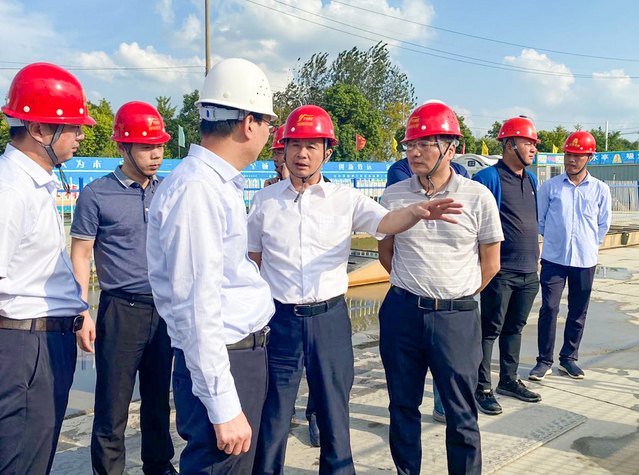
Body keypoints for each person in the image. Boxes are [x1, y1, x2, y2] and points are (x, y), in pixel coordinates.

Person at [248, 104, 462, 475]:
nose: (301, 154)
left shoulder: (345, 199)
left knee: (334, 413)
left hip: (329, 321)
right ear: (283, 149)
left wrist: (415, 212)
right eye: (294, 144)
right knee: (274, 414)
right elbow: (253, 259)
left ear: (327, 152)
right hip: (280, 322)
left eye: (312, 146)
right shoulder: (264, 201)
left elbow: (386, 221)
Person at [146, 58, 276, 474]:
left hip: (237, 357)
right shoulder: (197, 190)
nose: (270, 134)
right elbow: (196, 308)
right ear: (249, 124)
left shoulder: (214, 184)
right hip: (225, 361)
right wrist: (223, 406)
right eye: (269, 123)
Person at [378, 101, 503, 475]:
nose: (414, 152)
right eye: (410, 144)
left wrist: (454, 294)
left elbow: (491, 262)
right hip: (402, 314)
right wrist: (415, 286)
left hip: (456, 319)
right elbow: (387, 252)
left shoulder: (477, 196)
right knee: (402, 406)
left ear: (451, 148)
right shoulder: (394, 195)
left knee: (460, 412)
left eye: (425, 143)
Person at [70, 101, 176, 475]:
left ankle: (159, 466)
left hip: (164, 310)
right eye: (146, 147)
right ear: (123, 146)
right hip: (120, 311)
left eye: (159, 146)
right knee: (112, 404)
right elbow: (81, 254)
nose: (156, 154)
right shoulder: (97, 194)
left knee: (158, 399)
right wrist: (81, 310)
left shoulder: (168, 190)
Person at [0, 62, 92, 475]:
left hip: (43, 341)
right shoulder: (10, 190)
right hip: (24, 346)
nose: (80, 136)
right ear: (39, 130)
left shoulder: (35, 183)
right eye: (73, 127)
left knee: (35, 457)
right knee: (21, 461)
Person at [470, 117, 542, 415]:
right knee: (490, 329)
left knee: (515, 328)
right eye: (528, 143)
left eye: (534, 144)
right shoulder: (489, 178)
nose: (533, 149)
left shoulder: (531, 179)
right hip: (501, 272)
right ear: (509, 144)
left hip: (529, 270)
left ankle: (509, 380)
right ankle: (482, 387)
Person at [529, 131, 611, 381]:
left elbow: (603, 224)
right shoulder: (550, 187)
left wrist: (589, 244)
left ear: (589, 158)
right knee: (549, 307)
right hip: (554, 259)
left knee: (578, 310)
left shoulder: (600, 189)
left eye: (578, 156)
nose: (571, 160)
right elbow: (540, 220)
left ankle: (569, 358)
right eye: (568, 155)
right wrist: (556, 240)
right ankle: (544, 361)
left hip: (585, 260)